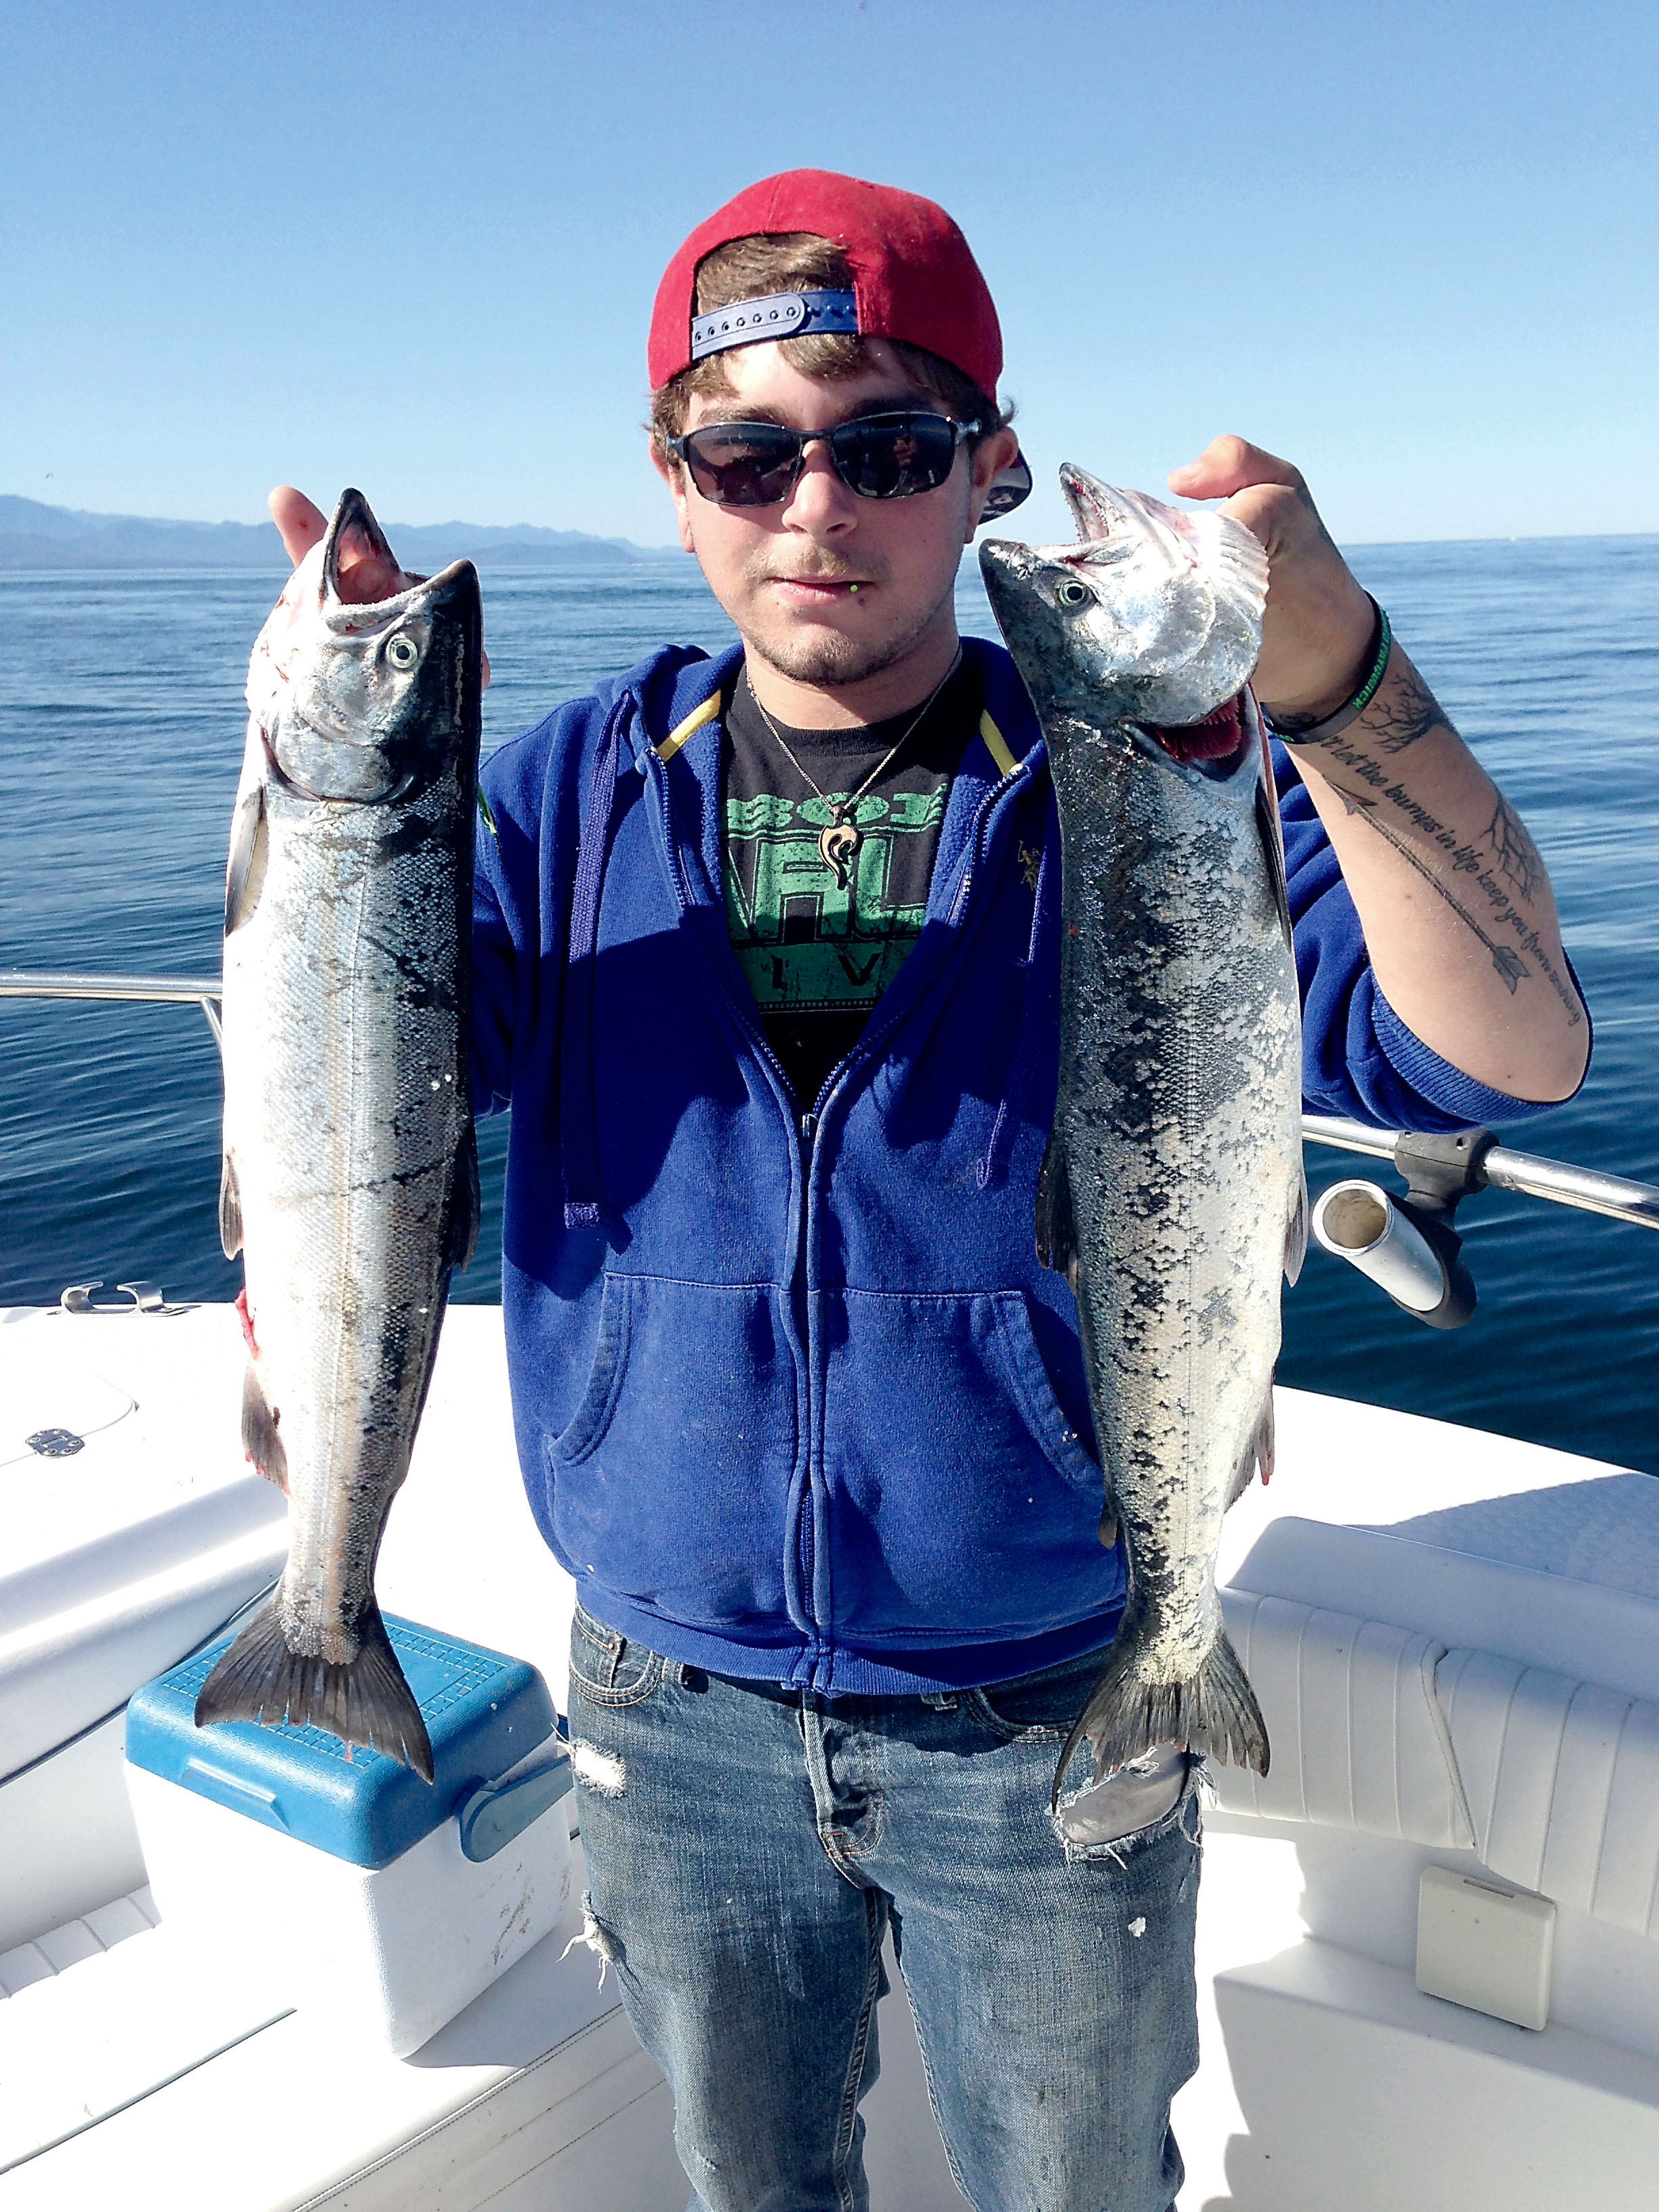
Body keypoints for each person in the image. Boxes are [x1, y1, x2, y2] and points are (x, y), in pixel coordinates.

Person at [272, 168, 1588, 2212]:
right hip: (663, 1688)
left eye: (886, 446)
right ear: (673, 479)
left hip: (1054, 1691)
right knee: (748, 2187)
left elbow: (1502, 1050)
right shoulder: (558, 793)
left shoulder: (1142, 779)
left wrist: (1333, 676)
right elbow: (352, 1106)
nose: (819, 505)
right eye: (751, 450)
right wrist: (323, 779)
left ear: (983, 472)